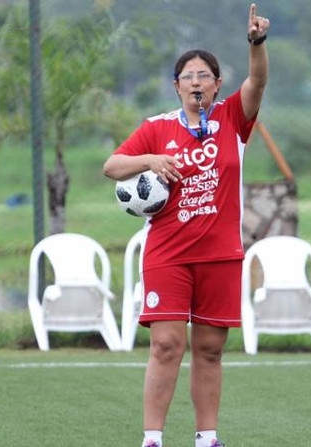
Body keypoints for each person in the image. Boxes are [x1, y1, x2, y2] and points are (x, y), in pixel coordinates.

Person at [103, 4, 270, 447]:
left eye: (205, 75)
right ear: (176, 86)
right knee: (166, 345)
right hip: (168, 255)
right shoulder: (156, 128)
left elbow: (257, 81)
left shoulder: (233, 118)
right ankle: (153, 438)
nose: (196, 82)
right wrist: (150, 159)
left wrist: (256, 43)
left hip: (220, 254)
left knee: (210, 349)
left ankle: (206, 437)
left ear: (217, 84)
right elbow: (112, 166)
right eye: (188, 76)